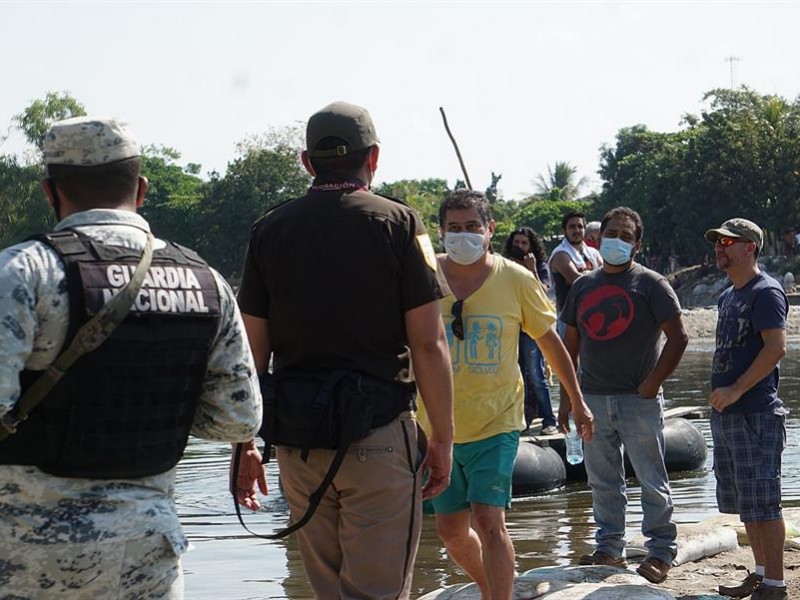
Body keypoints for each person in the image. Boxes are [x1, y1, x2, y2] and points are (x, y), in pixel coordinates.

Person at [0, 116, 262, 598]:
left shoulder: (22, 273)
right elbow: (238, 420)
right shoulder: (207, 283)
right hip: (147, 556)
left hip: (25, 555)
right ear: (141, 189)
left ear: (50, 191)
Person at [232, 101, 454, 600]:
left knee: (326, 590)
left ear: (307, 162)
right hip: (378, 434)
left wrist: (243, 442)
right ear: (372, 158)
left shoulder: (268, 230)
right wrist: (442, 436)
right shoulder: (399, 223)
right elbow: (428, 342)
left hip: (297, 444)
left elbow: (251, 351)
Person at [419, 190, 593, 600]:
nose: (463, 236)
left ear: (489, 229)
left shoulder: (515, 279)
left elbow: (549, 343)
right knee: (451, 531)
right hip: (434, 426)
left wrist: (577, 400)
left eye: (472, 227)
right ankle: (490, 588)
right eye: (454, 229)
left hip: (496, 419)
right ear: (440, 232)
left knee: (489, 519)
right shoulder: (423, 277)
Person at [559, 206, 688, 584]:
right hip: (593, 399)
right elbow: (570, 345)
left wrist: (653, 383)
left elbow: (678, 338)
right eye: (611, 232)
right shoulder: (583, 285)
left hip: (639, 400)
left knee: (652, 477)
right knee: (601, 479)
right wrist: (569, 397)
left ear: (637, 244)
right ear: (600, 239)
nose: (617, 239)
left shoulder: (651, 284)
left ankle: (661, 551)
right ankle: (609, 548)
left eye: (626, 235)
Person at [705, 219, 789, 600]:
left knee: (764, 501)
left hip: (755, 411)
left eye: (727, 242)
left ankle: (775, 585)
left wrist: (737, 390)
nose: (719, 248)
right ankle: (759, 574)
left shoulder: (765, 292)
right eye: (717, 243)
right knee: (746, 503)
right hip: (727, 415)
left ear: (749, 247)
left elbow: (775, 348)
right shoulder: (728, 296)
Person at [502, 227, 558, 435]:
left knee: (537, 374)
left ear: (531, 246)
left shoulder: (540, 266)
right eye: (516, 243)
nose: (520, 247)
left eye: (524, 243)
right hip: (510, 326)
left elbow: (543, 292)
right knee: (516, 375)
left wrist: (531, 269)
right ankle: (522, 419)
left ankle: (549, 420)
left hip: (532, 328)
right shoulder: (504, 266)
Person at [548, 211, 603, 325]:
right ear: (565, 231)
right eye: (572, 227)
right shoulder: (560, 254)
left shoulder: (593, 253)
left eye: (580, 226)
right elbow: (577, 280)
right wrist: (599, 275)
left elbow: (608, 275)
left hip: (594, 314)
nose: (577, 230)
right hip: (569, 319)